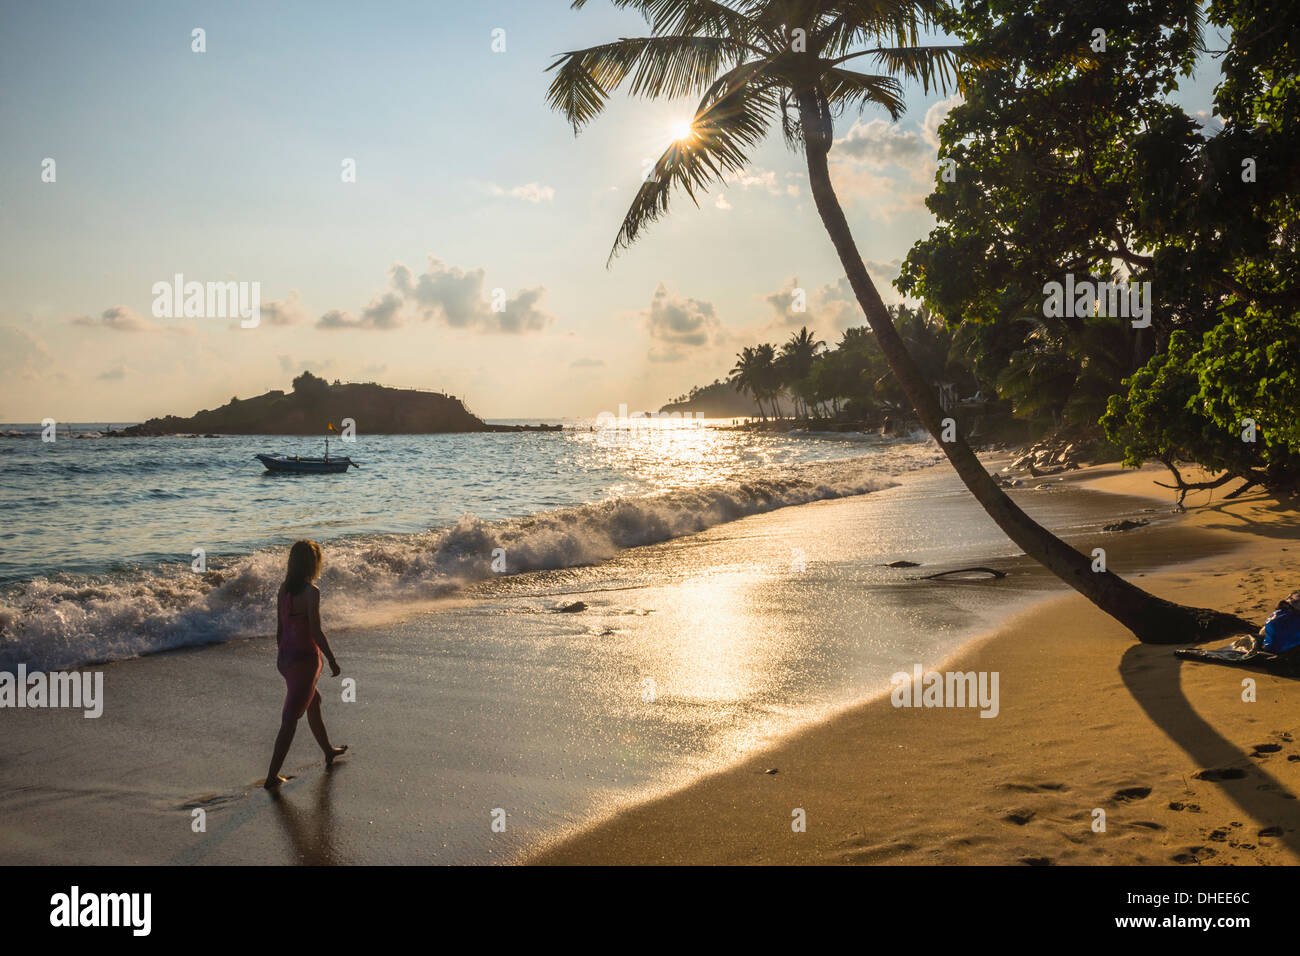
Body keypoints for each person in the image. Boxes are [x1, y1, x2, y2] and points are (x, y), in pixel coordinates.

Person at [264, 539, 346, 788]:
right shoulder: (312, 592)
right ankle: (271, 777)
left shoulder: (283, 589)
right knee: (289, 720)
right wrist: (331, 659)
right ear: (313, 564)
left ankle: (328, 750)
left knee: (314, 701)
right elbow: (316, 632)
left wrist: (284, 659)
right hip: (304, 661)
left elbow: (280, 629)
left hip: (286, 658)